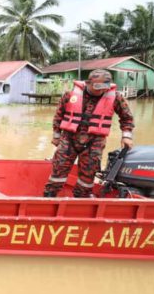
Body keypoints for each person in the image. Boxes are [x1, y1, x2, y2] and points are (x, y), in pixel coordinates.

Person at [43, 69, 134, 198]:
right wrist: (56, 135)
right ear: (88, 83)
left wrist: (126, 136)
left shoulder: (116, 97)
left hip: (94, 141)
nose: (101, 90)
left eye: (105, 87)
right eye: (97, 86)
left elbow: (127, 118)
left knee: (88, 176)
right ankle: (49, 197)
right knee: (59, 169)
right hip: (69, 139)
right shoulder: (70, 95)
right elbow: (59, 116)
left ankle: (81, 200)